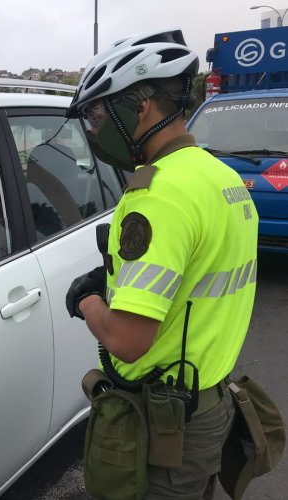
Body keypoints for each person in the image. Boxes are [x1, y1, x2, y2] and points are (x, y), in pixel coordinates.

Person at [65, 28, 258, 498]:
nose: (94, 129)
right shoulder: (220, 176)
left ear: (141, 106)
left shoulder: (157, 195)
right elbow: (196, 276)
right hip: (211, 405)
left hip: (167, 424)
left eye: (96, 114)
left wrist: (87, 299)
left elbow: (129, 342)